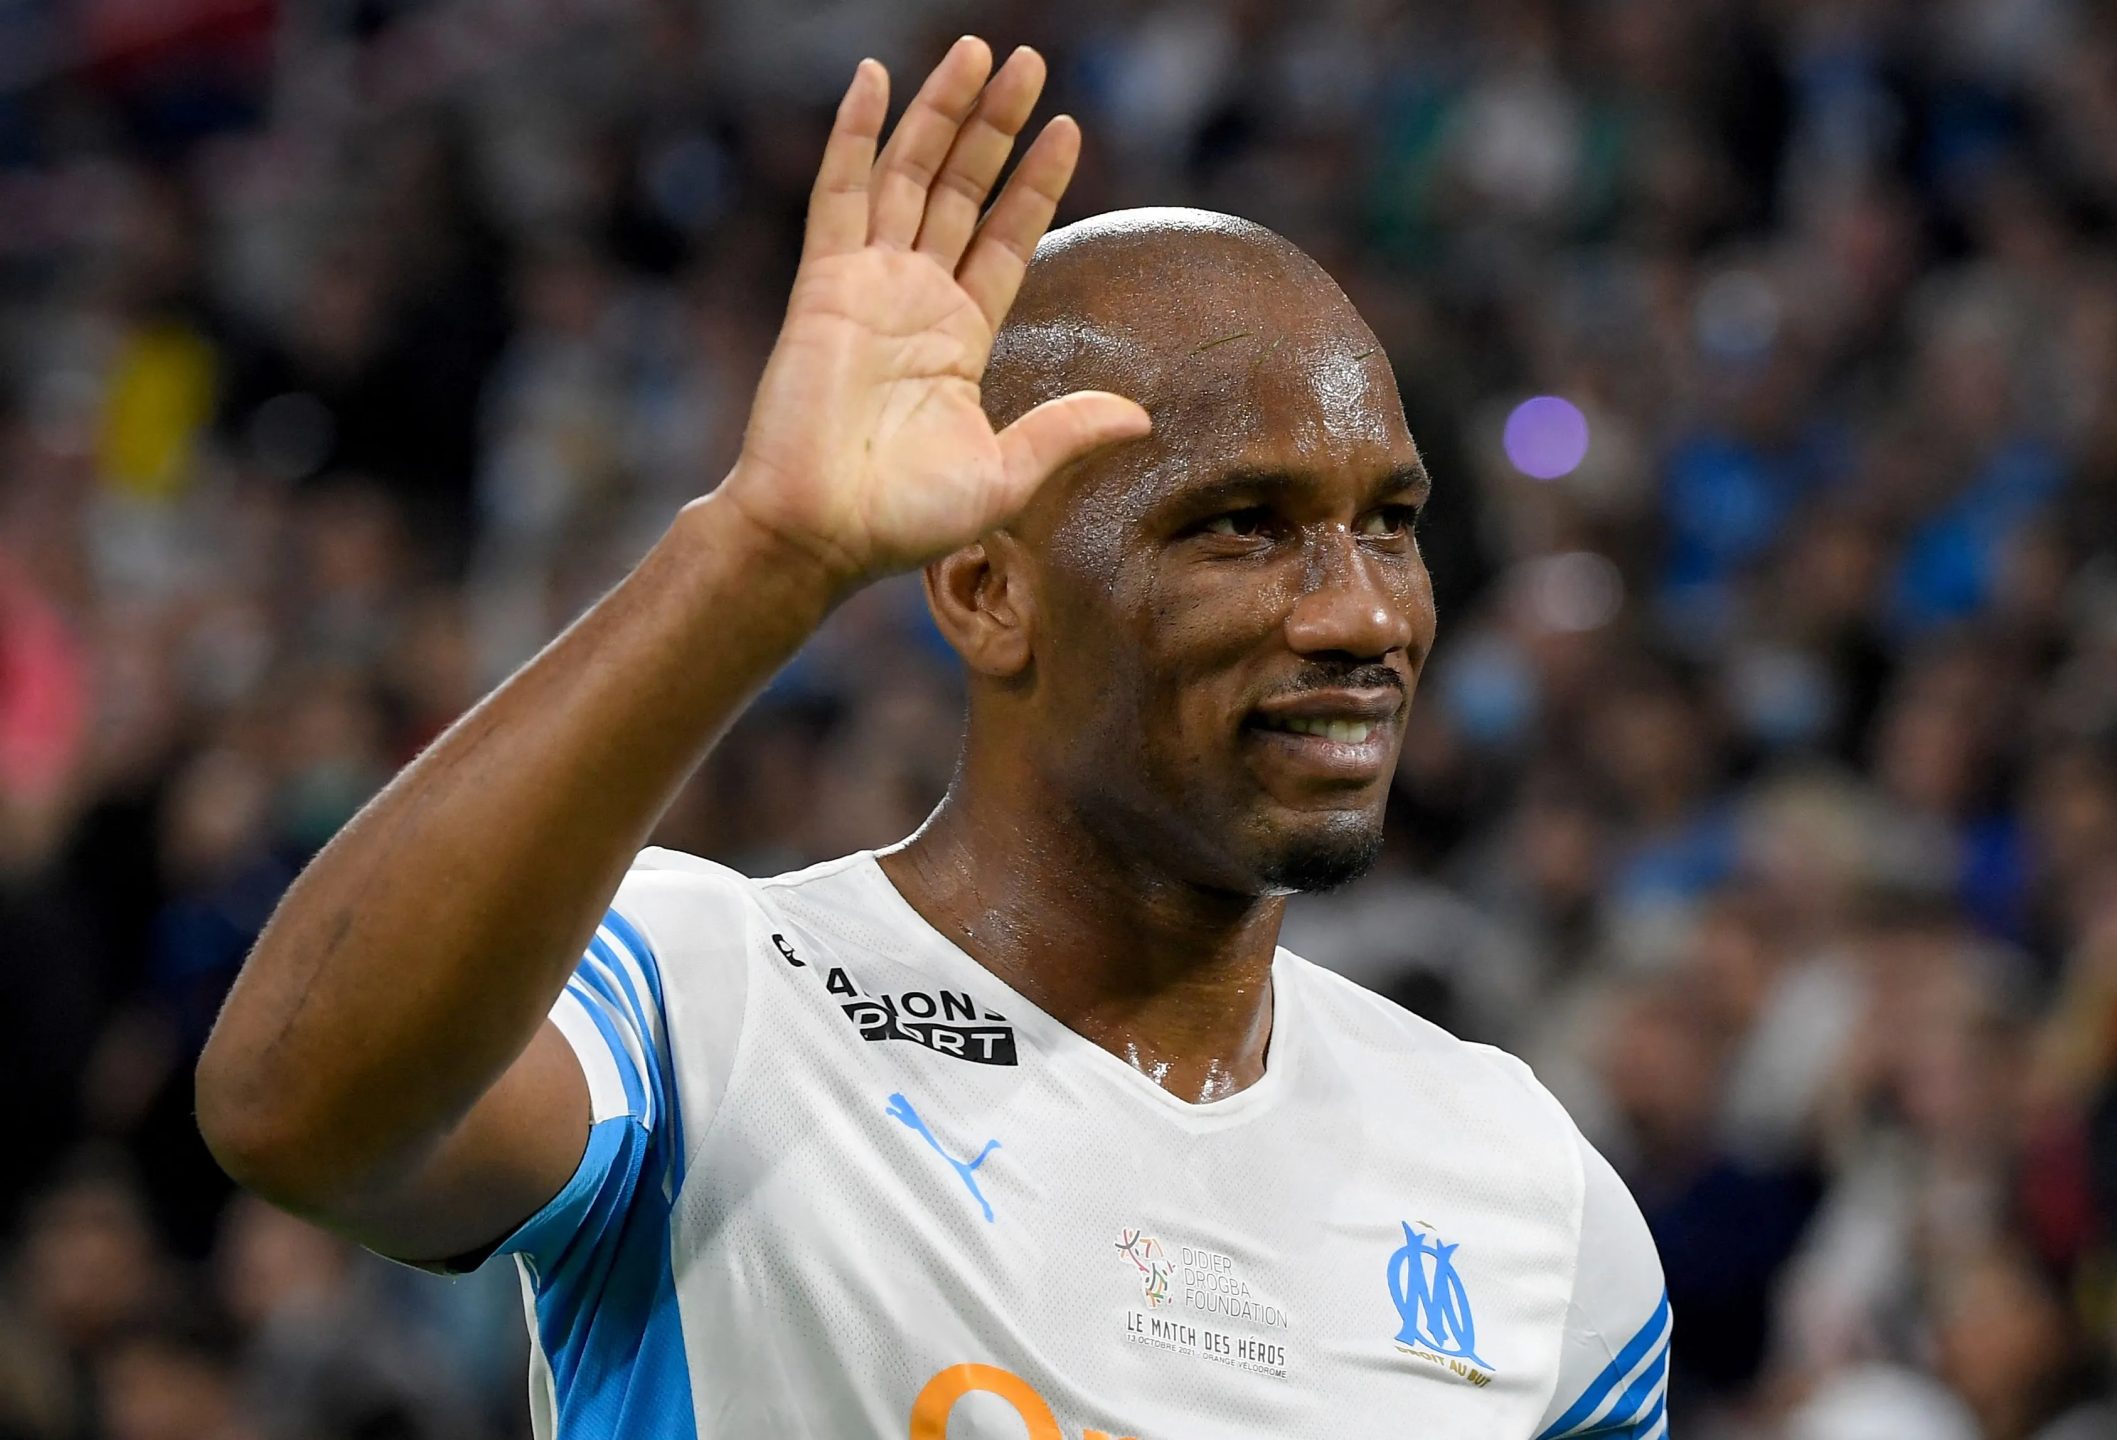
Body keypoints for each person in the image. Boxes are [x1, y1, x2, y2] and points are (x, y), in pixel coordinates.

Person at [195, 36, 1668, 1440]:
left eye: (1390, 526)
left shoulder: (1532, 1199)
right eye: (1241, 526)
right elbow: (291, 1112)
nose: (1363, 612)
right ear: (986, 592)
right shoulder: (701, 1005)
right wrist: (761, 555)